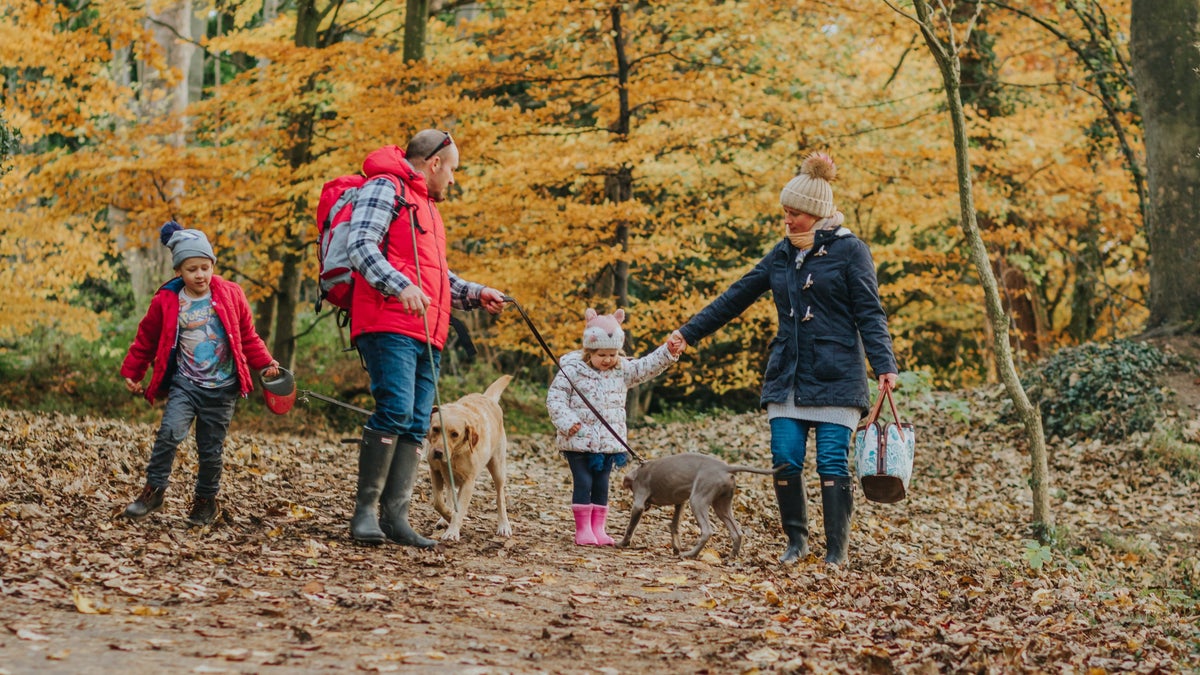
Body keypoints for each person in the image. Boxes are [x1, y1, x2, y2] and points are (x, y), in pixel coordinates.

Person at [670, 152, 898, 566]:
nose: (787, 221)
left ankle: (836, 551)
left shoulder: (851, 251)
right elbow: (736, 296)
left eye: (794, 214)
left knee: (831, 461)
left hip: (837, 375)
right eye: (785, 212)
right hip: (788, 376)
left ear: (815, 213)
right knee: (786, 459)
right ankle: (797, 542)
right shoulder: (781, 254)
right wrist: (688, 333)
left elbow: (870, 312)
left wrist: (885, 366)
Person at [346, 129, 507, 547]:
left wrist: (476, 294)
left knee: (418, 423)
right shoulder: (385, 187)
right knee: (396, 411)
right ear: (434, 163)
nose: (453, 179)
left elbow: (438, 278)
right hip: (388, 322)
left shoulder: (428, 211)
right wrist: (398, 286)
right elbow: (359, 245)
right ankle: (366, 513)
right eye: (451, 169)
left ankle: (396, 517)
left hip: (428, 331)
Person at [120, 221, 281, 526]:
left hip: (223, 388)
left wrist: (267, 362)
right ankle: (153, 491)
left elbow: (247, 335)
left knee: (210, 451)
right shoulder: (167, 301)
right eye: (192, 269)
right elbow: (146, 338)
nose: (200, 275)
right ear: (179, 271)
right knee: (169, 434)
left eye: (205, 267)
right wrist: (133, 370)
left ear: (212, 266)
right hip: (186, 384)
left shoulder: (231, 294)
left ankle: (205, 502)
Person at [546, 308, 682, 546]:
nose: (608, 359)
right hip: (578, 439)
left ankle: (599, 528)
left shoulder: (621, 370)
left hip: (608, 441)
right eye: (601, 354)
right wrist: (568, 423)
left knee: (602, 484)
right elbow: (555, 399)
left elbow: (645, 367)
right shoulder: (573, 370)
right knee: (584, 482)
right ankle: (583, 529)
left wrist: (667, 352)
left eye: (612, 354)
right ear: (589, 351)